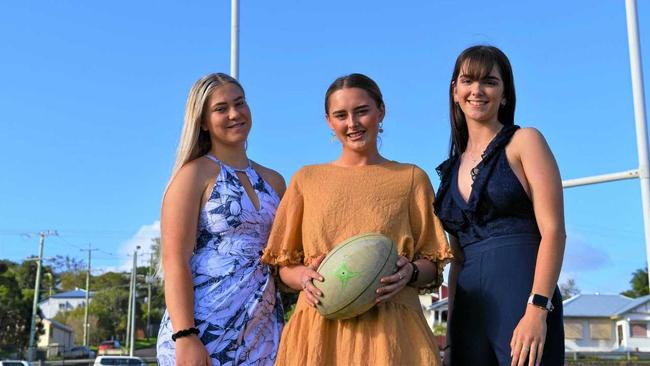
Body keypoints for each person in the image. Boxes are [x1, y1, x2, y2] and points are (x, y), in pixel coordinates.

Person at [261, 73, 453, 365]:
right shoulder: (306, 180)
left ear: (381, 112)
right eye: (341, 115)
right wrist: (303, 277)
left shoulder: (411, 178)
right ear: (329, 121)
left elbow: (433, 262)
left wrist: (410, 272)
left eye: (361, 111)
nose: (352, 123)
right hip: (320, 329)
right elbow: (282, 267)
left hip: (392, 332)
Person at [434, 45, 565, 366]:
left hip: (522, 298)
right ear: (454, 91)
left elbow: (554, 232)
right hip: (468, 312)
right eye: (468, 81)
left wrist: (537, 310)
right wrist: (450, 340)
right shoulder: (449, 171)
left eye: (489, 82)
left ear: (504, 94)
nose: (477, 90)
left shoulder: (526, 142)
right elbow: (458, 259)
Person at [156, 73, 285, 365]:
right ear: (202, 122)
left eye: (240, 103)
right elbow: (174, 260)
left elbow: (284, 257)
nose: (235, 114)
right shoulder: (193, 175)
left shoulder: (275, 182)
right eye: (220, 108)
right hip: (204, 331)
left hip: (262, 333)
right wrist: (186, 335)